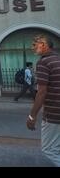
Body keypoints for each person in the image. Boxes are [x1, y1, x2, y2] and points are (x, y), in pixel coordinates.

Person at [26, 35, 60, 167]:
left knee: (49, 150)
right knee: (56, 146)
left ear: (44, 45)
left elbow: (41, 92)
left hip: (54, 113)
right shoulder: (57, 59)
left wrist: (32, 116)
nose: (32, 47)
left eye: (35, 44)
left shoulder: (44, 62)